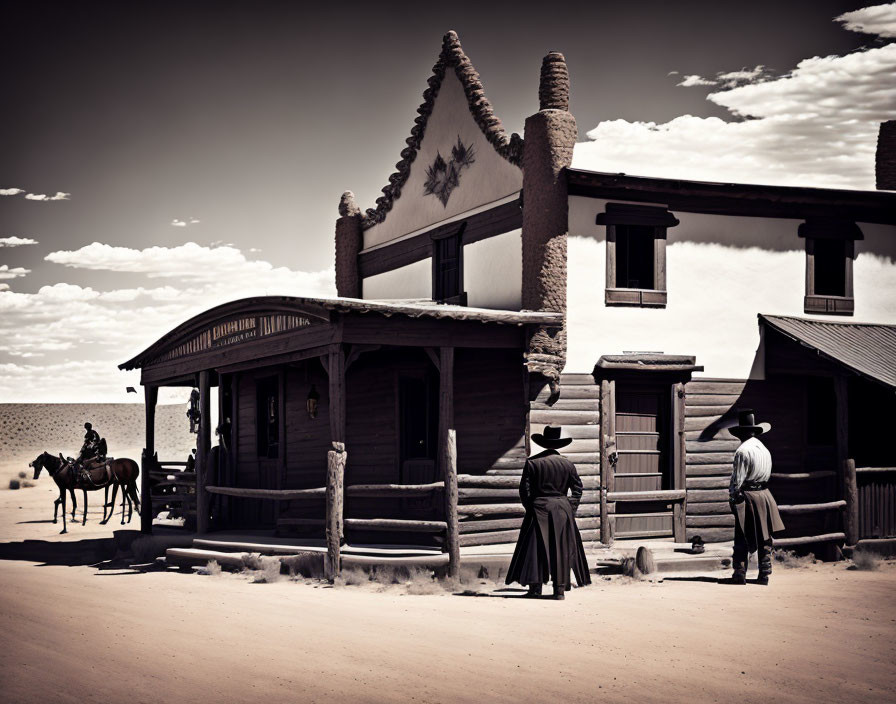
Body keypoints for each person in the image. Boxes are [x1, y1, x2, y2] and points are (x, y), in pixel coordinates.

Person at [505, 426, 591, 599]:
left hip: (539, 509)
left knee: (535, 549)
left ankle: (535, 588)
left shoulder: (532, 463)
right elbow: (578, 490)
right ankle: (559, 590)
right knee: (561, 549)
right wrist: (569, 509)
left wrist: (532, 507)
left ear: (543, 444)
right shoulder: (568, 464)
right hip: (562, 510)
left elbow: (524, 490)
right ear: (559, 445)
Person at [728, 409, 785, 586]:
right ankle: (764, 572)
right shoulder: (764, 449)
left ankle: (739, 572)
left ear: (742, 433)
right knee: (764, 535)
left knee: (742, 534)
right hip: (765, 494)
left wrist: (733, 497)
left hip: (748, 495)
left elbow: (738, 479)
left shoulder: (742, 451)